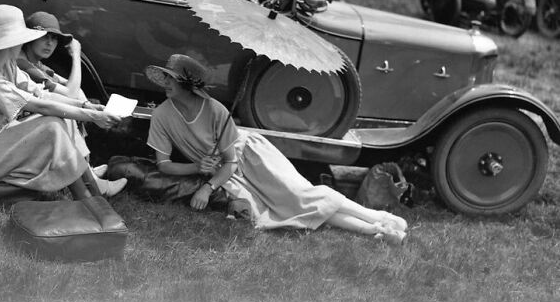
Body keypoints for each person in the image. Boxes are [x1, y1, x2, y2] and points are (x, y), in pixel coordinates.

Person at [145, 54, 408, 244]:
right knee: (292, 209)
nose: (166, 82)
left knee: (299, 194)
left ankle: (377, 216)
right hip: (232, 178)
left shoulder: (215, 110)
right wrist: (197, 168)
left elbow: (230, 161)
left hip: (250, 156)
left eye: (173, 79)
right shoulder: (162, 116)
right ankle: (375, 231)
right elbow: (163, 165)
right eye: (166, 77)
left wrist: (207, 186)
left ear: (188, 85)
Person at [0, 4, 127, 198]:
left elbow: (43, 95)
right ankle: (89, 199)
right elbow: (39, 105)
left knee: (59, 119)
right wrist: (93, 116)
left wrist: (85, 106)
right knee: (52, 126)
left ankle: (91, 187)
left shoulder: (5, 65)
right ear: (11, 43)